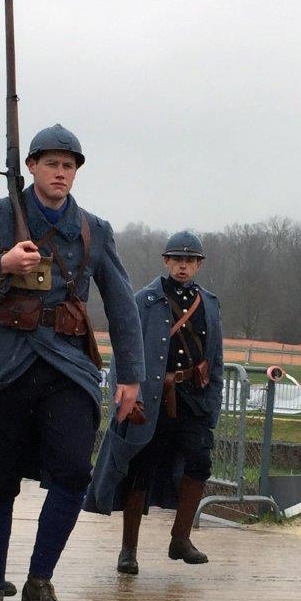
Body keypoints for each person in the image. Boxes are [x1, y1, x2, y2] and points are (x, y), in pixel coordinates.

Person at [0, 124, 145, 601]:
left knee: (73, 473)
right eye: (51, 164)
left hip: (65, 364)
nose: (61, 173)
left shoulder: (93, 229)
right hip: (3, 364)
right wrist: (3, 263)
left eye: (69, 165)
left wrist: (132, 377)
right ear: (31, 167)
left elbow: (121, 303)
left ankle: (40, 580)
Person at [85, 231, 223, 574]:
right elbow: (125, 352)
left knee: (200, 463)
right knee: (140, 470)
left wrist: (213, 405)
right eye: (177, 259)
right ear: (166, 261)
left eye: (190, 261)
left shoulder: (209, 303)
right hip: (152, 398)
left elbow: (215, 359)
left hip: (192, 399)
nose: (183, 266)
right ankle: (128, 550)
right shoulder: (143, 300)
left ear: (199, 265)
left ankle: (180, 538)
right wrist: (126, 399)